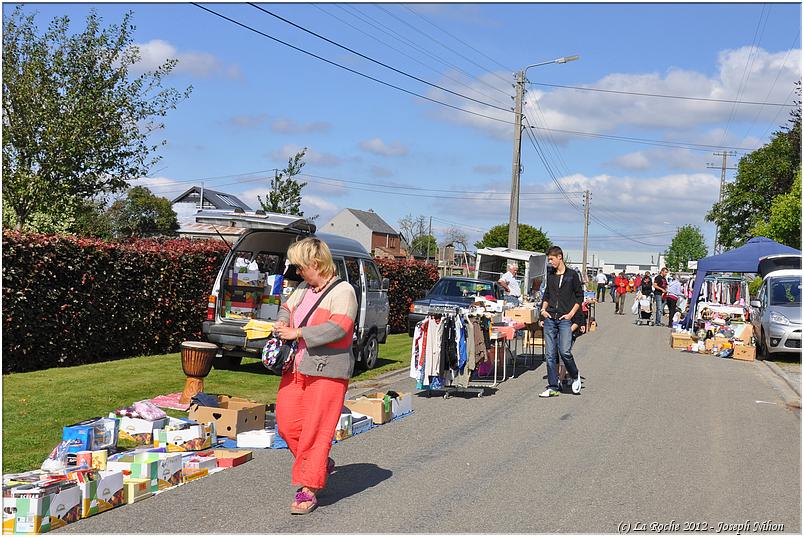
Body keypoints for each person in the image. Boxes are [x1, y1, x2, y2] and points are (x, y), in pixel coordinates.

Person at [272, 238, 358, 515]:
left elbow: (339, 328)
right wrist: (283, 320)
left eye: (299, 267)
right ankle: (319, 464)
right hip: (296, 369)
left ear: (315, 263)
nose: (297, 272)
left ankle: (308, 489)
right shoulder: (301, 289)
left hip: (328, 372)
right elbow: (287, 306)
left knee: (316, 432)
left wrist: (298, 333)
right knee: (286, 425)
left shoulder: (344, 291)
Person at [538, 245, 583, 398]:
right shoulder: (550, 274)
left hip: (565, 319)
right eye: (549, 260)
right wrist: (543, 311)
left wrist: (570, 315)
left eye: (551, 259)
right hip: (550, 318)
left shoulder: (572, 275)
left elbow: (579, 297)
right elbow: (547, 295)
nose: (550, 262)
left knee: (564, 351)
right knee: (550, 355)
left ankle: (575, 374)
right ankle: (553, 386)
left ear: (560, 257)